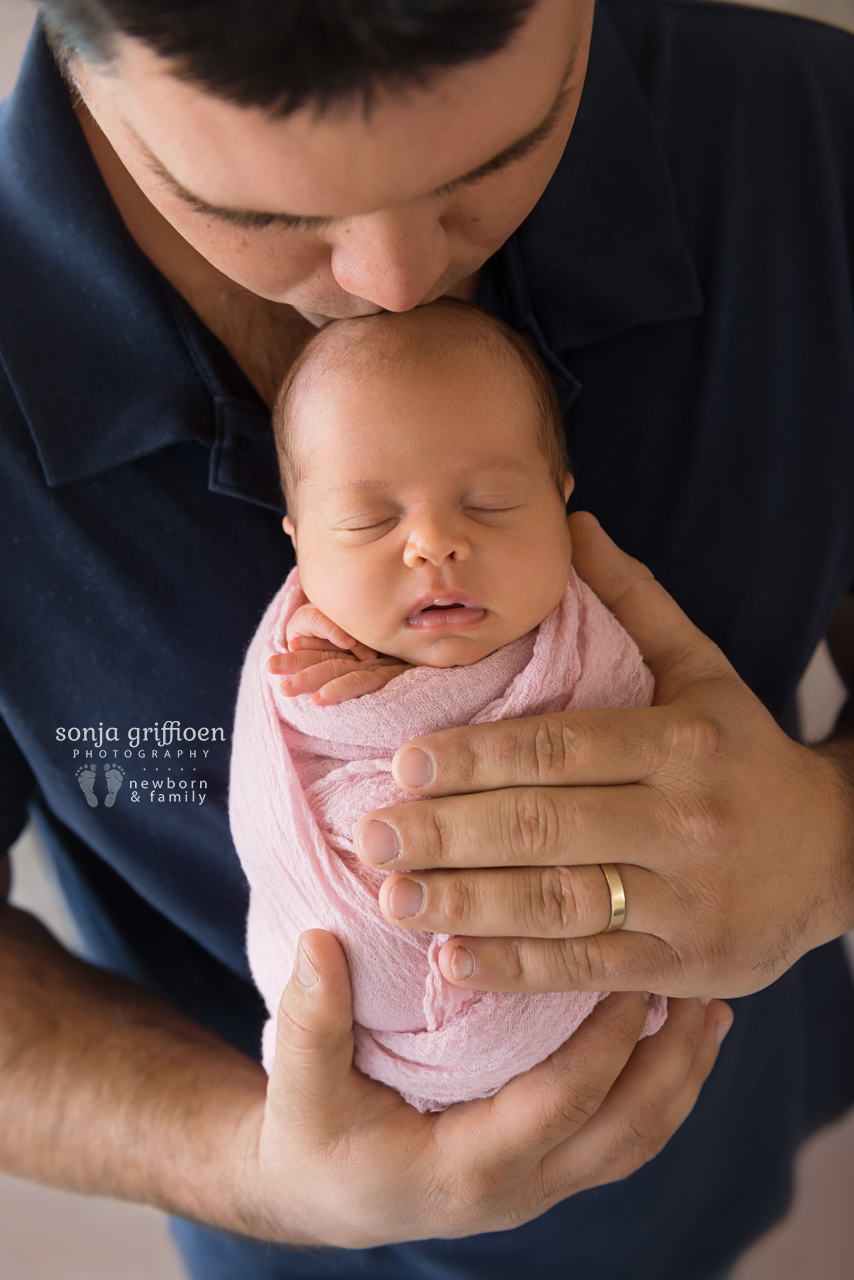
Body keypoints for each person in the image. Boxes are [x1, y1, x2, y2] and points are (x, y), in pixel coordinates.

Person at [1, 1, 854, 1277]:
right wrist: (254, 1168)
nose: (392, 286)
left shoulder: (809, 139)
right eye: (270, 213)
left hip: (703, 1174)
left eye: (490, 164)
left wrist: (834, 841)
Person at [230, 299, 666, 1112]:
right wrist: (363, 704)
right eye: (367, 521)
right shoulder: (305, 657)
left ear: (560, 498)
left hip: (636, 1060)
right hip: (343, 1091)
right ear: (299, 543)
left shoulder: (590, 648)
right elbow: (292, 783)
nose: (433, 544)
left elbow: (650, 767)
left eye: (492, 503)